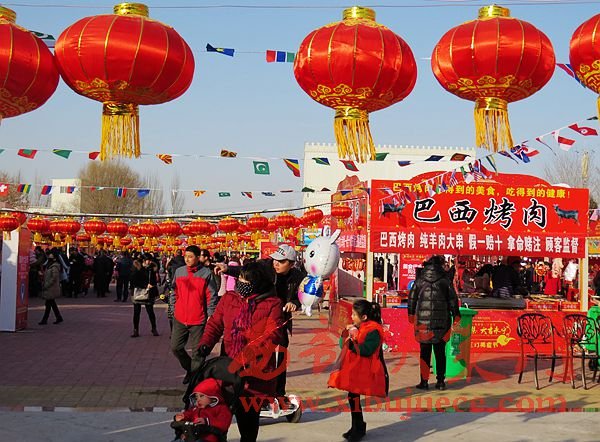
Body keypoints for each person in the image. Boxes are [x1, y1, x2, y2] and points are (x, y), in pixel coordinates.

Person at [197, 261, 286, 442]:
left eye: (246, 281)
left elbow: (273, 336)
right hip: (227, 371)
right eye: (240, 279)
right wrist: (205, 345)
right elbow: (215, 324)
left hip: (254, 375)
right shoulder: (229, 298)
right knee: (218, 420)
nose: (241, 284)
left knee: (248, 424)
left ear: (258, 283)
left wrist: (247, 355)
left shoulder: (273, 304)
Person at [214, 243, 305, 398]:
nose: (276, 263)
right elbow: (246, 271)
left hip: (280, 321)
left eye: (281, 261)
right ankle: (246, 388)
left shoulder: (298, 277)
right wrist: (227, 269)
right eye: (275, 259)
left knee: (280, 357)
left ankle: (278, 393)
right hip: (259, 316)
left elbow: (303, 295)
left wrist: (295, 303)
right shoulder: (265, 266)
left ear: (291, 264)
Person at [328, 299, 388, 442]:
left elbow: (367, 350)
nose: (352, 317)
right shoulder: (358, 327)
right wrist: (347, 334)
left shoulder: (373, 330)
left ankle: (358, 427)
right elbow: (342, 344)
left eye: (354, 315)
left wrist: (351, 344)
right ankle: (357, 425)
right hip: (355, 369)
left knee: (354, 398)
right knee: (352, 397)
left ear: (364, 317)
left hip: (365, 370)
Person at [408, 255, 460, 391]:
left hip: (423, 322)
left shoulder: (420, 279)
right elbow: (453, 300)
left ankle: (424, 382)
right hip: (441, 321)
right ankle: (440, 382)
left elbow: (412, 298)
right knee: (440, 352)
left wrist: (411, 314)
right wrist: (456, 315)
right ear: (440, 265)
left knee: (424, 353)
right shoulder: (445, 279)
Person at [171, 246, 219, 384]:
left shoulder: (206, 273)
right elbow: (174, 291)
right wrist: (173, 307)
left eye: (190, 256)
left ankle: (194, 378)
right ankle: (191, 370)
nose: (187, 259)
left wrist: (210, 314)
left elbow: (211, 295)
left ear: (198, 258)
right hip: (180, 317)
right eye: (186, 256)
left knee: (197, 352)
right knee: (176, 347)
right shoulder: (179, 272)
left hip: (198, 319)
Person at [172, 378, 233, 442]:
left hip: (208, 438)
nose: (198, 399)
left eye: (201, 396)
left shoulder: (221, 408)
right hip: (192, 435)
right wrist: (183, 416)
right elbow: (189, 414)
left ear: (212, 396)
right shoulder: (195, 409)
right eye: (196, 397)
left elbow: (223, 424)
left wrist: (207, 421)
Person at [129, 255, 159, 337]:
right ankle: (135, 330)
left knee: (150, 312)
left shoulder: (151, 268)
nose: (149, 262)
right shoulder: (136, 268)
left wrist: (155, 291)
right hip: (138, 292)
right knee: (136, 312)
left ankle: (154, 328)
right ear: (143, 260)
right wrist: (145, 285)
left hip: (148, 293)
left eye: (150, 260)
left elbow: (154, 281)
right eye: (148, 260)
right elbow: (133, 281)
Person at [38, 250, 64, 325]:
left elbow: (54, 278)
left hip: (51, 288)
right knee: (50, 304)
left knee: (49, 304)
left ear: (55, 258)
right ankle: (58, 317)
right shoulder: (49, 265)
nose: (49, 256)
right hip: (49, 287)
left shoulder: (54, 266)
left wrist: (47, 285)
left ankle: (45, 319)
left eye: (51, 255)